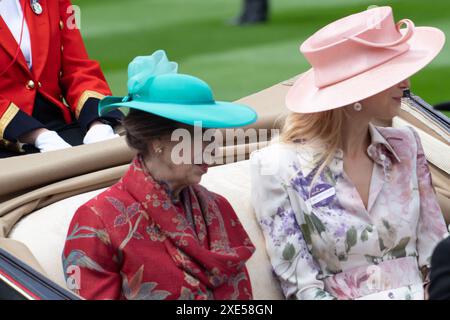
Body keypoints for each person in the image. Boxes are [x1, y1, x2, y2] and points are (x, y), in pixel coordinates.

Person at [250, 6, 449, 300]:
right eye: (392, 74)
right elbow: (301, 287)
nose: (406, 84)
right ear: (355, 91)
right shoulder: (276, 166)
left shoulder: (406, 144)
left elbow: (436, 254)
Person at [62, 50, 257, 300]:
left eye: (213, 138)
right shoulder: (97, 220)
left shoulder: (218, 208)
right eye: (198, 137)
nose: (211, 152)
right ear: (157, 142)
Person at [0, 0, 122, 158]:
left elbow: (77, 66)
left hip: (55, 124)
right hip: (10, 134)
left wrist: (97, 123)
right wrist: (40, 136)